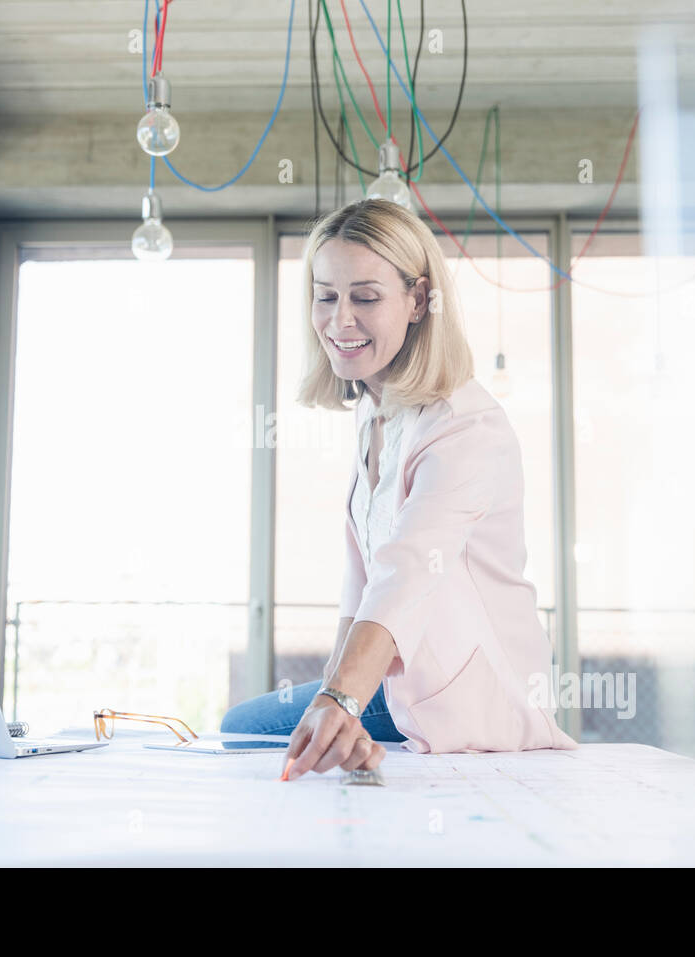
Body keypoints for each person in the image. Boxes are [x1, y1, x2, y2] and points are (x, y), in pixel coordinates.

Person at [220, 198, 576, 779]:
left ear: (417, 301)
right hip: (402, 680)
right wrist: (338, 701)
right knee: (247, 729)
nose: (340, 321)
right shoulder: (375, 413)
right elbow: (360, 583)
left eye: (365, 297)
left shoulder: (465, 426)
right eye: (326, 295)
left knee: (245, 731)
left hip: (479, 690)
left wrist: (339, 700)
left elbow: (405, 571)